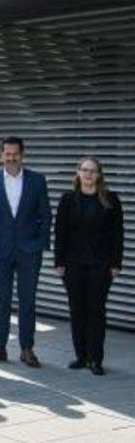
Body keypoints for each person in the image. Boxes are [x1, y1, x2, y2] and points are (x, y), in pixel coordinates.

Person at [0, 136, 51, 367]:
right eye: (7, 154)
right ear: (1, 155)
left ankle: (27, 349)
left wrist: (39, 243)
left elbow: (46, 215)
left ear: (22, 155)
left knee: (28, 301)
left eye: (15, 154)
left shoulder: (37, 181)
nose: (11, 158)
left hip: (29, 251)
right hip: (0, 250)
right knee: (1, 301)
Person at [54, 156, 124, 375]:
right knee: (77, 311)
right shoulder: (67, 200)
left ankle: (96, 359)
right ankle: (81, 356)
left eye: (93, 171)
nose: (88, 174)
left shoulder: (110, 199)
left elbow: (118, 235)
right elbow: (60, 233)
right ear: (78, 173)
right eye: (84, 170)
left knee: (96, 311)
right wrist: (59, 262)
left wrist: (116, 264)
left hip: (100, 265)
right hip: (73, 265)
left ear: (99, 174)